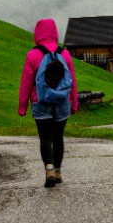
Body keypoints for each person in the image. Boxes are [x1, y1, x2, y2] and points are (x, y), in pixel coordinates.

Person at [18, 18, 78, 188]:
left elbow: (26, 83)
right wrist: (74, 103)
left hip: (40, 101)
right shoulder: (64, 54)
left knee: (45, 137)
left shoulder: (33, 55)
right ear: (54, 32)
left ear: (38, 33)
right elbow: (72, 81)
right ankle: (58, 172)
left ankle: (49, 169)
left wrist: (23, 106)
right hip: (62, 101)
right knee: (58, 137)